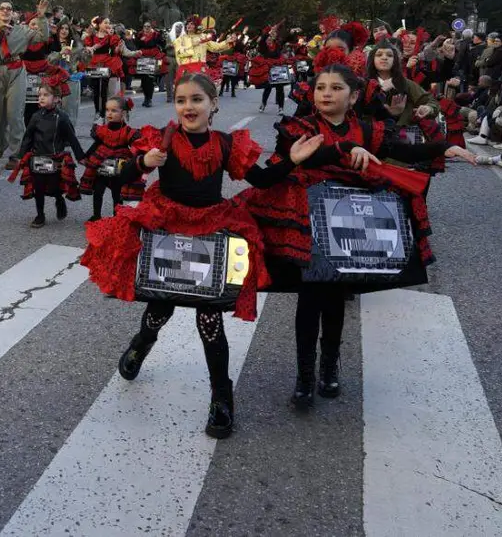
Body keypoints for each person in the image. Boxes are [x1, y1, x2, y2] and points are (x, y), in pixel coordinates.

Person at [82, 71, 324, 438]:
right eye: (181, 100)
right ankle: (141, 344)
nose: (188, 107)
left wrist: (290, 160)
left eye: (197, 99)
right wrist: (144, 162)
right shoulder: (161, 140)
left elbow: (260, 180)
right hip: (168, 226)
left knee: (209, 316)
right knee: (161, 306)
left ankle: (221, 396)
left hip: (210, 230)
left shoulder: (226, 144)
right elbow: (122, 175)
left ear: (213, 104)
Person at [243, 64, 476, 408]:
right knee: (309, 298)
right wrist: (343, 149)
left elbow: (403, 150)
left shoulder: (368, 129)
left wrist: (442, 148)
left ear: (353, 97)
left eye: (336, 88)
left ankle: (329, 367)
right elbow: (305, 156)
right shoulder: (300, 127)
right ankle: (304, 376)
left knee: (336, 296)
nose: (326, 93)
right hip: (309, 221)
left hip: (349, 222)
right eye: (321, 87)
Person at [0, 0, 49, 170]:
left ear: (13, 12)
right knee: (0, 115)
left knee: (15, 114)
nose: (6, 11)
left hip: (16, 70)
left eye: (9, 8)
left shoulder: (22, 30)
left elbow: (43, 37)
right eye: (2, 8)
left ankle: (17, 153)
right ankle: (1, 144)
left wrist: (42, 17)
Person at [9, 84, 85, 228]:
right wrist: (20, 156)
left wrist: (81, 156)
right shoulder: (35, 116)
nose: (41, 98)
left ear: (56, 99)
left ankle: (59, 199)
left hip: (55, 159)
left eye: (45, 95)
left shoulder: (62, 117)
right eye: (40, 95)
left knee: (54, 187)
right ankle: (40, 215)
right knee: (38, 188)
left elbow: (72, 138)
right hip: (37, 157)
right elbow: (28, 137)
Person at [80, 96, 143, 222]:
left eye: (114, 111)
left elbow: (138, 146)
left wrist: (137, 162)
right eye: (107, 110)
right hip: (101, 161)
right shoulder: (102, 130)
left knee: (117, 192)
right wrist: (85, 156)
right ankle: (96, 215)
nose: (109, 113)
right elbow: (97, 144)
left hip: (119, 163)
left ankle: (117, 216)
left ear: (123, 113)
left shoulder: (128, 131)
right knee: (98, 190)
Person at [83, 16, 125, 119]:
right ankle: (97, 111)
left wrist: (118, 48)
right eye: (105, 22)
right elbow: (87, 48)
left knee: (104, 89)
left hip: (107, 63)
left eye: (108, 23)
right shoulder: (92, 36)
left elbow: (114, 51)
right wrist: (88, 49)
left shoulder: (111, 36)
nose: (108, 24)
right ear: (99, 24)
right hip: (94, 64)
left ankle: (103, 112)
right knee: (96, 89)